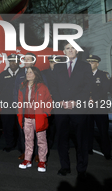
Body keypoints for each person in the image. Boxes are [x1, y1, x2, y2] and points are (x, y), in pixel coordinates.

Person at [49, 42, 93, 180]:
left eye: (73, 48)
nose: (70, 50)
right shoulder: (57, 68)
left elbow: (88, 87)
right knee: (62, 140)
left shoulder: (85, 67)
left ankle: (81, 169)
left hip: (78, 109)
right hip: (61, 109)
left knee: (81, 141)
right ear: (64, 52)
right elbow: (53, 87)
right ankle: (65, 167)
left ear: (77, 51)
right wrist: (60, 101)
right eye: (68, 48)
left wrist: (75, 101)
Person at [13, 52, 48, 161]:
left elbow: (46, 93)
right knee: (24, 133)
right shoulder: (20, 76)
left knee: (38, 133)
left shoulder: (40, 75)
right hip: (23, 111)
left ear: (34, 61)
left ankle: (38, 154)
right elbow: (15, 91)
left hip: (36, 112)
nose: (27, 61)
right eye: (25, 59)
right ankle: (25, 153)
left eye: (29, 59)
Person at [17, 67, 52, 172]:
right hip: (26, 118)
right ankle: (27, 160)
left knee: (41, 141)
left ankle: (42, 161)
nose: (28, 74)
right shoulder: (22, 86)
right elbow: (19, 101)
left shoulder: (42, 87)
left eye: (31, 72)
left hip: (39, 118)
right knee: (28, 140)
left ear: (36, 74)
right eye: (27, 72)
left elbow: (49, 100)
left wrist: (45, 113)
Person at [0, 54, 24, 152]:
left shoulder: (24, 73)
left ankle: (22, 147)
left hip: (21, 105)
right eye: (11, 61)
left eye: (15, 61)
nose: (13, 63)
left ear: (19, 62)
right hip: (7, 104)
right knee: (7, 126)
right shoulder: (3, 74)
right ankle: (10, 145)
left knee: (22, 126)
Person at [86, 55, 111, 160]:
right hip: (87, 106)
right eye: (89, 62)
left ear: (97, 64)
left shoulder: (103, 75)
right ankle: (88, 149)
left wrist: (93, 98)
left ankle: (107, 152)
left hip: (100, 106)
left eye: (92, 62)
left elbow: (105, 89)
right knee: (88, 129)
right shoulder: (84, 75)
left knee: (103, 130)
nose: (90, 64)